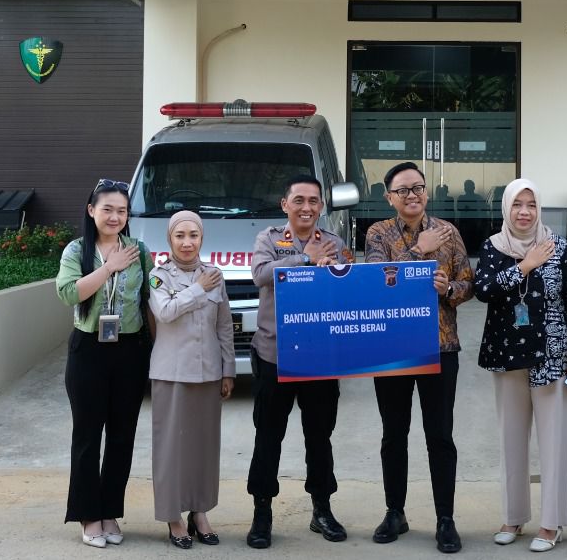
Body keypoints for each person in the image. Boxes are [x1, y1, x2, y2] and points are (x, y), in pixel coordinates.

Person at [362, 161, 474, 553]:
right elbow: (379, 282)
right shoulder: (378, 233)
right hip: (392, 349)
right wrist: (418, 250)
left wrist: (448, 289)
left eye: (418, 187)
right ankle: (395, 512)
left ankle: (445, 519)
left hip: (439, 347)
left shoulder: (449, 232)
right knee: (394, 434)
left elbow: (468, 282)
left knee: (440, 435)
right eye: (403, 190)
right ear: (389, 197)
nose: (412, 195)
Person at [473, 178, 567, 553]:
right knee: (511, 440)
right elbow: (483, 290)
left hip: (552, 357)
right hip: (507, 355)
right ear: (506, 208)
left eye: (532, 205)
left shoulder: (558, 247)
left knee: (554, 441)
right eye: (517, 204)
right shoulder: (493, 246)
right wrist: (525, 265)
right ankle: (513, 516)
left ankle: (551, 522)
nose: (524, 212)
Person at [245, 175, 356, 549]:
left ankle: (321, 508)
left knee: (319, 437)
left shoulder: (336, 244)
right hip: (274, 355)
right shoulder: (269, 239)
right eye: (299, 200)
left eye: (313, 201)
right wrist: (305, 259)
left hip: (320, 357)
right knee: (268, 436)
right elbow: (261, 274)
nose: (306, 207)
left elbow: (350, 290)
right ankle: (262, 512)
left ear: (321, 206)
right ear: (285, 205)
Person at [56, 179, 154, 549]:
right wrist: (109, 267)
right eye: (107, 209)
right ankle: (88, 515)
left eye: (122, 210)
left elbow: (150, 298)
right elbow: (69, 293)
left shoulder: (139, 250)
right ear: (91, 210)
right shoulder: (76, 250)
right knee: (87, 435)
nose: (115, 217)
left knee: (122, 436)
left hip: (130, 349)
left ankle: (110, 510)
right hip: (89, 350)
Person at [149, 211, 234, 549]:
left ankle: (200, 512)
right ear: (170, 239)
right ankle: (174, 517)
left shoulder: (214, 275)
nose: (187, 242)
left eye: (193, 235)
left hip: (208, 372)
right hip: (171, 373)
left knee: (204, 447)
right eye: (180, 235)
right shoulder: (158, 276)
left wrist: (228, 370)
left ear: (202, 238)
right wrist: (198, 290)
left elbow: (224, 325)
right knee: (172, 449)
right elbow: (165, 312)